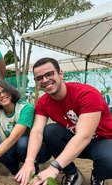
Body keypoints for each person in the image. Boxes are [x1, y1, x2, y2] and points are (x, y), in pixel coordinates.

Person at [15, 57, 112, 185]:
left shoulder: (87, 94)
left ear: (60, 74)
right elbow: (37, 131)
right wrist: (29, 161)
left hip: (102, 140)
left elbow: (84, 136)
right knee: (49, 130)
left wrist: (54, 167)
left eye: (49, 74)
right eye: (39, 78)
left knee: (109, 160)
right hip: (74, 140)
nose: (45, 80)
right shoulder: (43, 103)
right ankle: (72, 173)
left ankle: (98, 176)